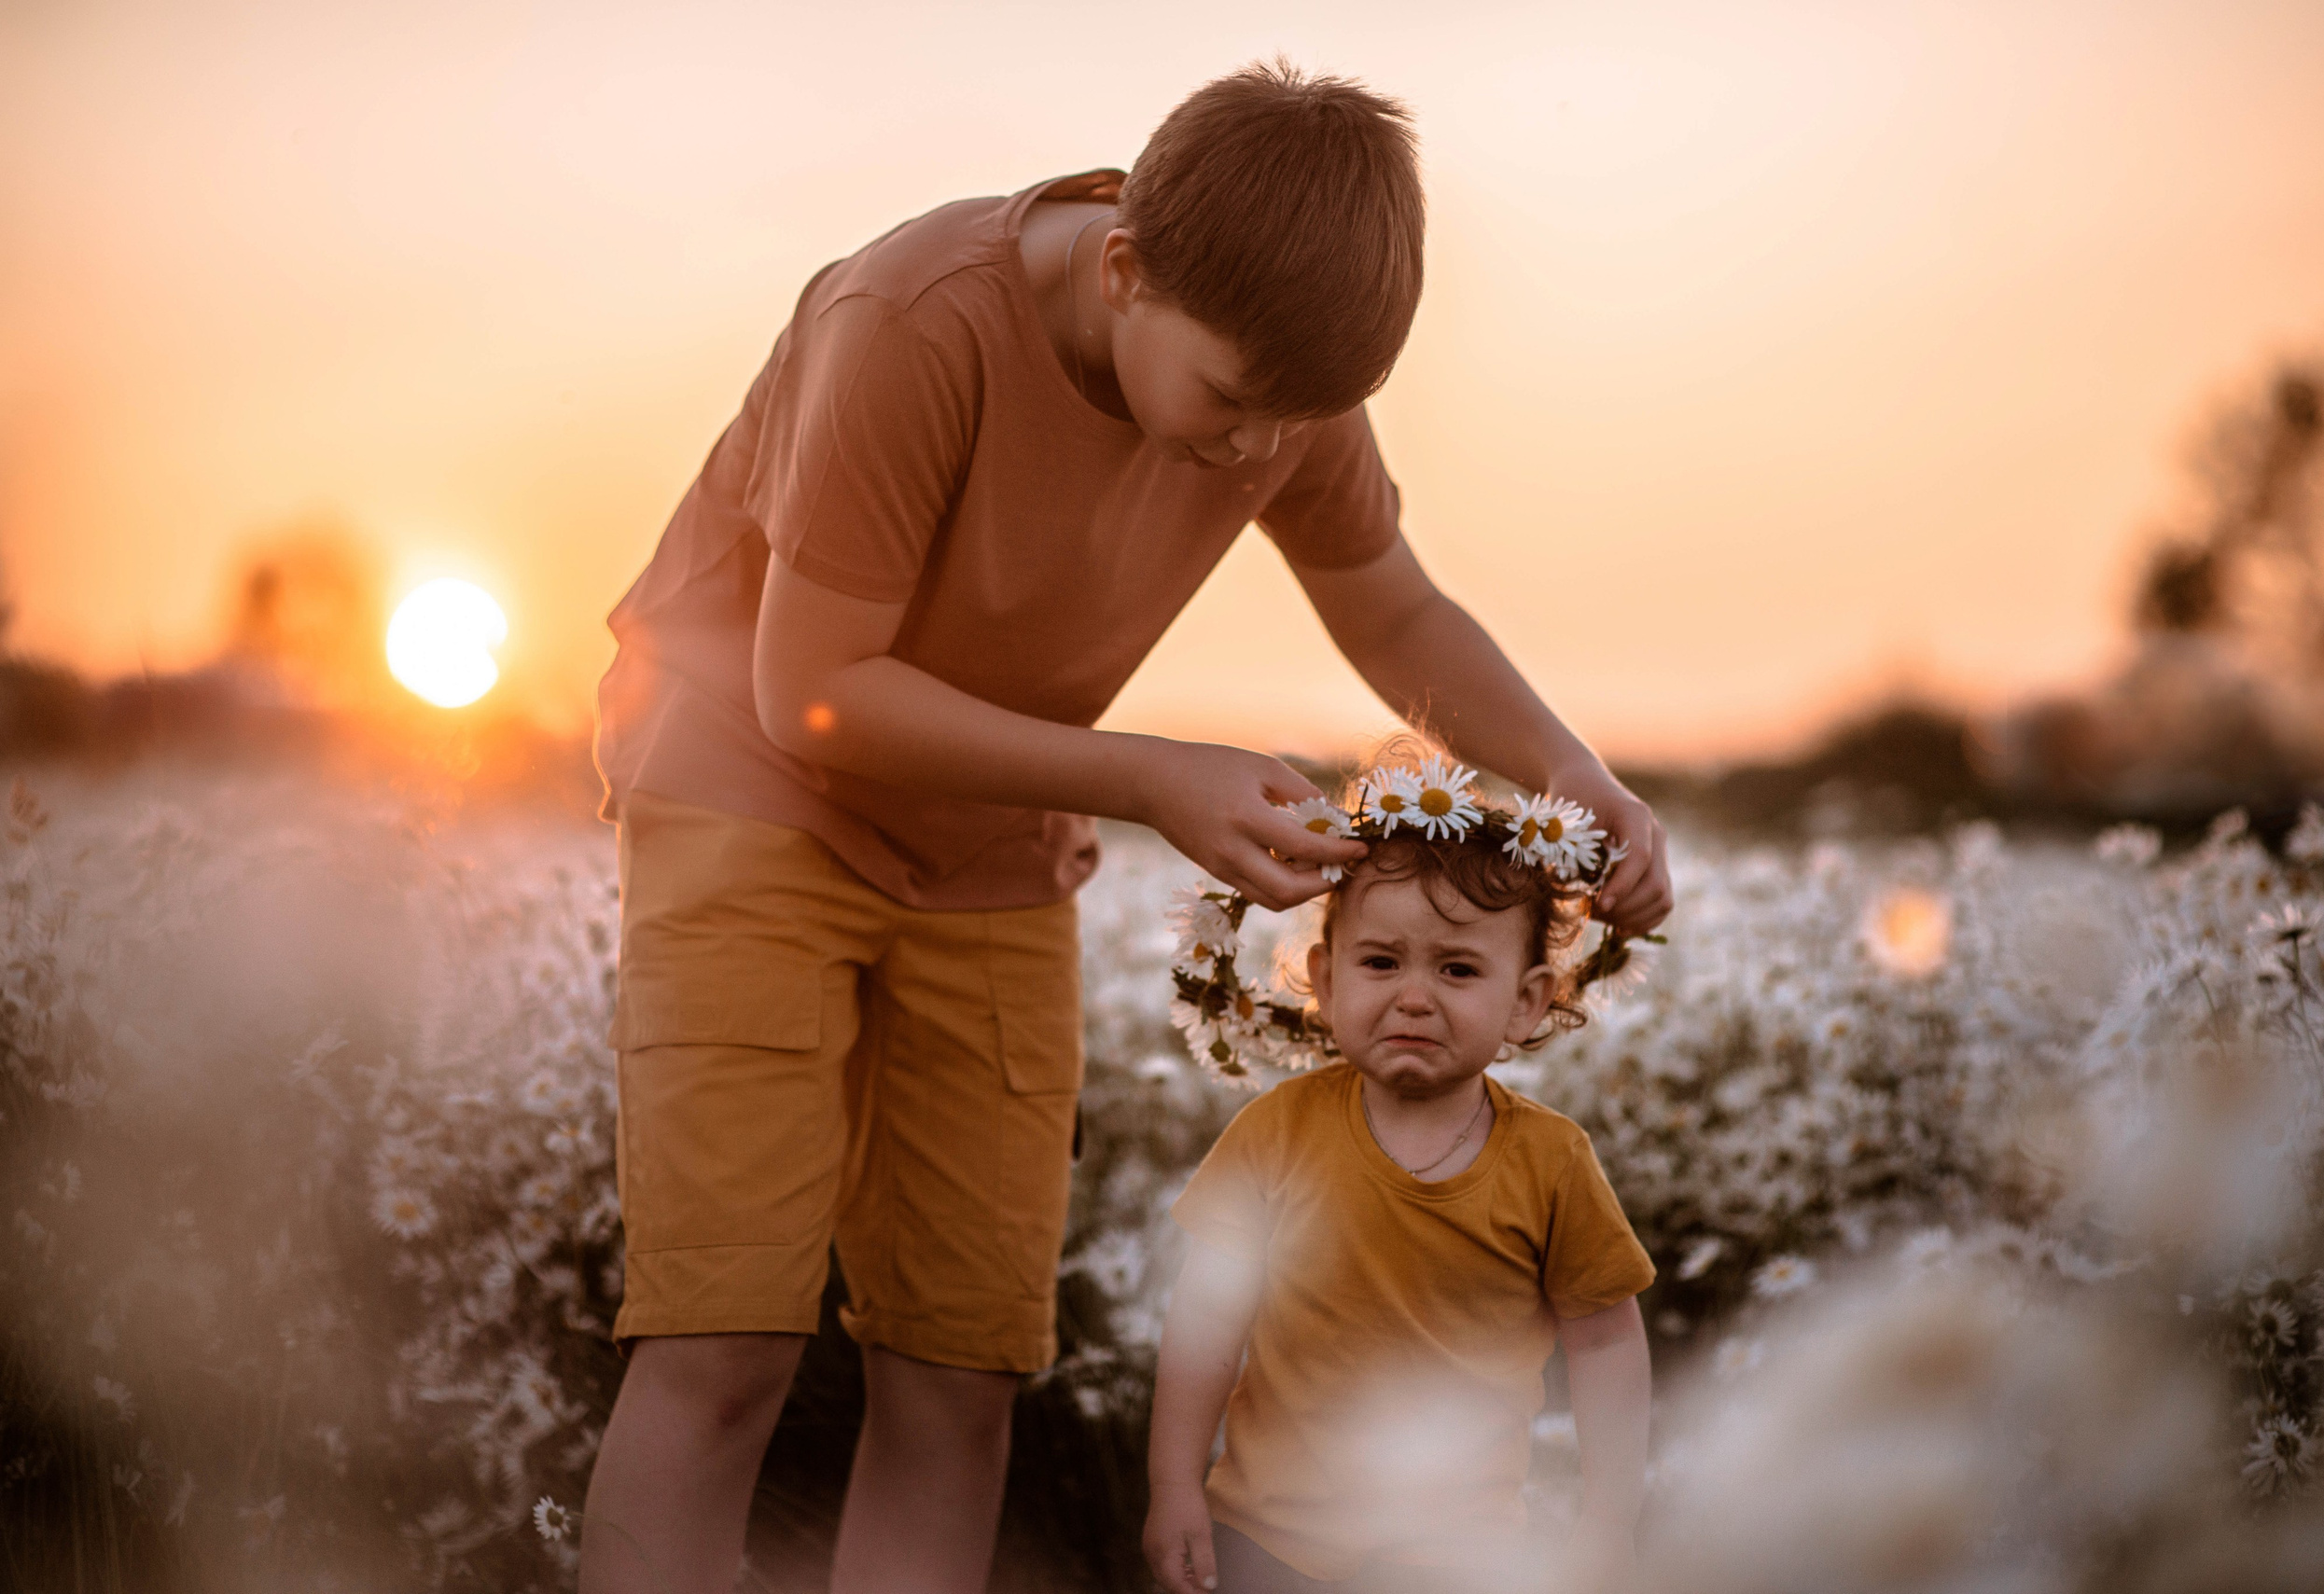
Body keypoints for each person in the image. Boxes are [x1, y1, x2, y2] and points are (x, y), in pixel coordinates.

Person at [581, 60, 1673, 1594]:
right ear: (1122, 267)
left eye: (1293, 421)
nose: (1254, 451)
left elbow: (1394, 603)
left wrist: (1578, 777)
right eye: (1231, 402)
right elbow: (810, 696)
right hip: (745, 791)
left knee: (961, 1371)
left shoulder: (1284, 387)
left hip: (992, 844)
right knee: (727, 1340)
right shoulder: (911, 325)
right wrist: (1155, 775)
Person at [1144, 807, 1657, 1594]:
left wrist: (1609, 1524)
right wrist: (1174, 1486)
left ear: (1526, 1001)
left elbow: (1606, 1347)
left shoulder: (1553, 1162)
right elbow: (1205, 1320)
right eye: (1381, 962)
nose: (1414, 996)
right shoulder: (1275, 1132)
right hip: (1265, 1537)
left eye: (1456, 970)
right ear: (1324, 978)